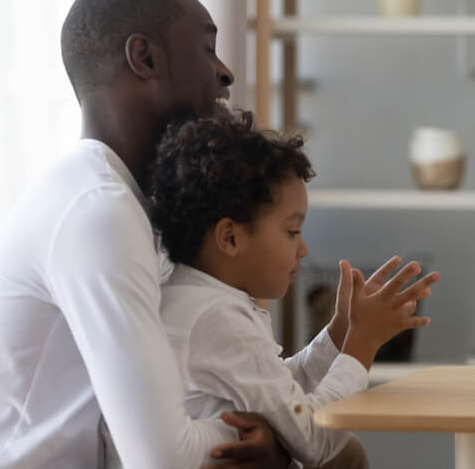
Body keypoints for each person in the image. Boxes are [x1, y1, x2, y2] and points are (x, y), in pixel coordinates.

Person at [0, 0, 289, 468]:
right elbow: (163, 458)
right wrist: (272, 431)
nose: (225, 73)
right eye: (207, 49)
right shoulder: (97, 212)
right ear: (144, 58)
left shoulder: (119, 199)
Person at [115, 109, 437, 469]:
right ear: (231, 237)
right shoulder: (216, 318)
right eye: (292, 232)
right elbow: (313, 441)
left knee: (350, 453)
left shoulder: (199, 299)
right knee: (345, 454)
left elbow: (277, 392)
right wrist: (363, 344)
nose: (303, 249)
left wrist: (340, 333)